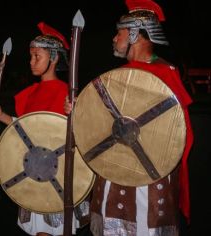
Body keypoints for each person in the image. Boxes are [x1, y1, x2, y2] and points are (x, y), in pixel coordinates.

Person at [65, 1, 194, 235]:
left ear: (135, 34)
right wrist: (80, 111)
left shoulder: (165, 76)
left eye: (119, 32)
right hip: (112, 175)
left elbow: (179, 138)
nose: (114, 38)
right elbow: (101, 124)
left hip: (148, 184)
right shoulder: (118, 77)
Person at [0, 22, 89, 236]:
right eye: (31, 56)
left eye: (38, 56)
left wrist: (75, 113)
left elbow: (79, 135)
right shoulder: (31, 92)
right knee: (39, 231)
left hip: (57, 173)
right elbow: (26, 131)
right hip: (34, 168)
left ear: (54, 58)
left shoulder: (67, 93)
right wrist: (1, 115)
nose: (31, 62)